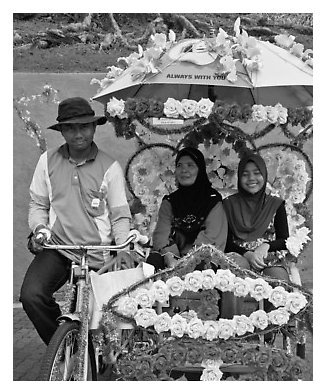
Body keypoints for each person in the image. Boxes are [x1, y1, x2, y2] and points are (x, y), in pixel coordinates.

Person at [20, 97, 133, 345]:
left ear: (94, 128)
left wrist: (123, 247)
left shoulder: (109, 167)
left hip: (99, 254)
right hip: (59, 249)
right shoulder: (47, 161)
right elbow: (38, 205)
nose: (78, 133)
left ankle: (90, 354)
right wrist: (39, 229)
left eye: (84, 126)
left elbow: (120, 215)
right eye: (70, 127)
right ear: (61, 130)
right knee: (31, 295)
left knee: (103, 319)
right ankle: (63, 347)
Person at [221, 149, 290, 318]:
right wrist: (247, 254)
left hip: (268, 258)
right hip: (238, 255)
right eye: (245, 174)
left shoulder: (275, 204)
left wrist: (266, 246)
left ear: (264, 175)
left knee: (279, 282)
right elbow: (226, 241)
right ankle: (231, 331)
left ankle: (265, 333)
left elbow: (284, 239)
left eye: (257, 173)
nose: (251, 179)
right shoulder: (229, 205)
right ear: (239, 178)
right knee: (232, 274)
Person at [147, 147, 228, 270]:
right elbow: (161, 234)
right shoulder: (170, 201)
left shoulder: (212, 200)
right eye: (179, 165)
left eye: (190, 165)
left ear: (200, 170)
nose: (184, 170)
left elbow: (213, 237)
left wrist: (189, 263)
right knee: (153, 260)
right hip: (172, 260)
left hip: (202, 258)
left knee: (204, 265)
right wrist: (170, 256)